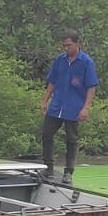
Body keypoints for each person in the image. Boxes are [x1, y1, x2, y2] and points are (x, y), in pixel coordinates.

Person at [40, 31, 98, 184]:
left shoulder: (86, 62)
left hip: (74, 106)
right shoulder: (60, 60)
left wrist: (86, 108)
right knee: (46, 134)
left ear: (77, 44)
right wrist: (45, 100)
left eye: (69, 45)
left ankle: (68, 171)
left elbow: (91, 87)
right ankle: (48, 166)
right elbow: (52, 81)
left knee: (71, 139)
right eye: (64, 45)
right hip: (57, 104)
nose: (66, 48)